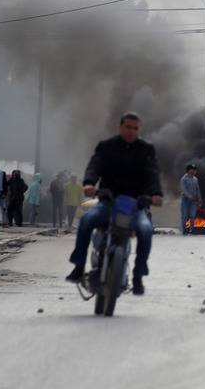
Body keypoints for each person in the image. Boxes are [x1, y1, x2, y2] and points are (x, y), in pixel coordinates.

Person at [66, 112, 164, 296]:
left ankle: (138, 277)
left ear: (139, 130)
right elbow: (94, 166)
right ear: (120, 127)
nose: (131, 131)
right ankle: (78, 267)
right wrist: (89, 183)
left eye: (135, 128)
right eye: (128, 127)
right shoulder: (106, 147)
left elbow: (153, 174)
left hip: (135, 206)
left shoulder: (146, 149)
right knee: (86, 220)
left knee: (146, 231)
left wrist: (156, 194)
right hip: (108, 204)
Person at [180, 164, 202, 235]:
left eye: (195, 169)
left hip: (193, 200)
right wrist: (189, 196)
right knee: (184, 215)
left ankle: (191, 230)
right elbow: (184, 189)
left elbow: (197, 189)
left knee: (192, 215)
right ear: (189, 170)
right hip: (185, 200)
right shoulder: (183, 179)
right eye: (193, 169)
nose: (195, 170)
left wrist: (199, 199)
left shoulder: (195, 179)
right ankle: (184, 230)